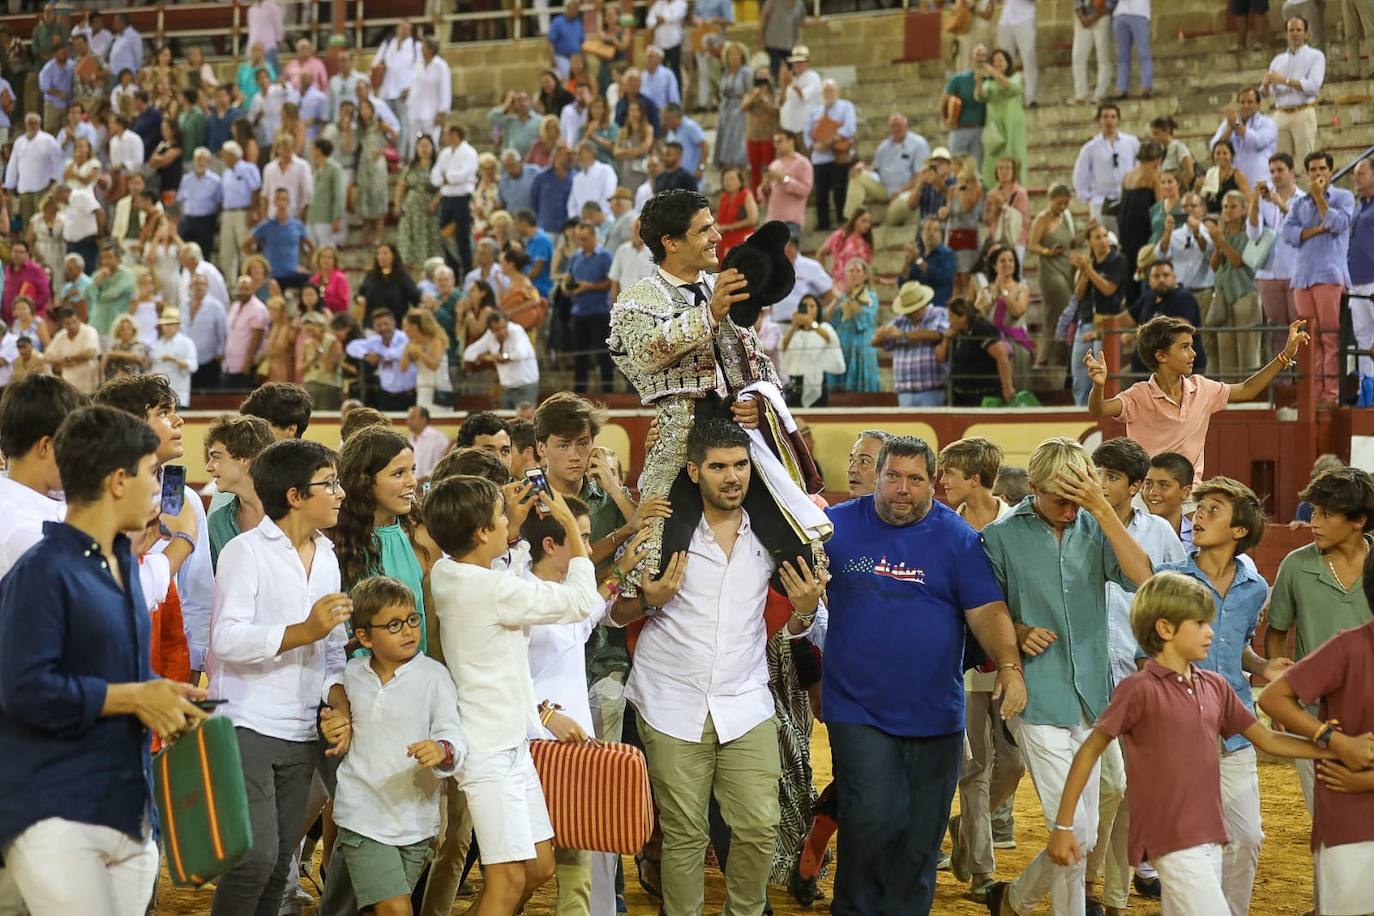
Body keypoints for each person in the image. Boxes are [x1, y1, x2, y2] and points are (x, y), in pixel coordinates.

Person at [0, 404, 207, 916]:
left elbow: (114, 675)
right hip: (56, 807)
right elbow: (24, 690)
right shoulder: (41, 571)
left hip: (129, 808)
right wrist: (134, 696)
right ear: (118, 481)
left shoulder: (124, 566)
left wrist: (161, 697)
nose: (157, 488)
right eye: (151, 473)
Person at [614, 418, 825, 916]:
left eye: (740, 465)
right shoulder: (661, 531)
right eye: (718, 467)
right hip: (670, 701)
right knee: (685, 833)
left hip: (745, 701)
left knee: (759, 825)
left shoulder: (774, 534)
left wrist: (805, 609)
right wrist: (649, 601)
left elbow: (797, 624)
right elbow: (613, 613)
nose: (732, 477)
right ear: (693, 471)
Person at [1041, 572, 1334, 914]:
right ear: (1165, 629)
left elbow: (1267, 739)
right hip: (1170, 838)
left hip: (1211, 833)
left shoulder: (1215, 686)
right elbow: (1090, 750)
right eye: (1200, 623)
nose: (1211, 632)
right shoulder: (1139, 689)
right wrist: (1064, 825)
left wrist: (1328, 746)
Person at [821, 434, 1022, 914]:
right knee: (873, 814)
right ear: (877, 477)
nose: (902, 489)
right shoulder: (834, 528)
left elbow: (987, 610)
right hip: (857, 707)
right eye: (892, 476)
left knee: (922, 834)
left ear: (933, 482)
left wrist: (1009, 665)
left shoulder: (958, 538)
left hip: (936, 713)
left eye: (914, 479)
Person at [979, 436, 1153, 916]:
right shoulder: (999, 537)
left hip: (1094, 697)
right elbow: (983, 611)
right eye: (1061, 500)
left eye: (1079, 499)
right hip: (1036, 695)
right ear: (1033, 487)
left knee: (1087, 829)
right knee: (1073, 830)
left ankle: (1014, 899)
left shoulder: (1094, 525)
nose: (1070, 511)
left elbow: (1143, 578)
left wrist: (1102, 509)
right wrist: (1017, 631)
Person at [426, 473, 601, 916]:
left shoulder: (448, 571)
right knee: (507, 882)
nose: (508, 520)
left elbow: (497, 577)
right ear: (481, 532)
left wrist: (516, 533)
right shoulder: (493, 589)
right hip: (490, 752)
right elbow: (581, 601)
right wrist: (567, 523)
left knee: (539, 867)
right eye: (500, 516)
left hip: (509, 743)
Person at [206, 438, 350, 916]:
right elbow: (226, 639)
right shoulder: (245, 552)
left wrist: (340, 701)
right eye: (329, 483)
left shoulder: (327, 556)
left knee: (278, 864)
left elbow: (332, 649)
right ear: (294, 496)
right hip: (247, 720)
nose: (340, 493)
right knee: (254, 860)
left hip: (303, 727)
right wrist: (302, 630)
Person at [316, 575, 464, 916]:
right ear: (365, 636)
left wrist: (442, 749)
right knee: (396, 909)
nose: (408, 631)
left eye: (412, 620)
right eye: (394, 625)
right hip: (361, 817)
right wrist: (334, 718)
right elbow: (329, 682)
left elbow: (453, 733)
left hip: (416, 824)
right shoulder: (353, 675)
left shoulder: (435, 677)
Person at [936, 437, 1023, 904]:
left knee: (1013, 764)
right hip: (965, 661)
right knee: (975, 768)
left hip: (1009, 659)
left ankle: (967, 827)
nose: (941, 481)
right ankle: (982, 874)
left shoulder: (1016, 524)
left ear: (974, 478)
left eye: (949, 473)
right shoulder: (944, 526)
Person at [1263, 465, 1374, 809]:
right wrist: (1284, 695)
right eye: (1313, 512)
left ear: (1358, 520)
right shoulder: (1295, 565)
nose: (1314, 522)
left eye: (1326, 514)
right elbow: (1276, 633)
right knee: (1326, 817)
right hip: (1313, 717)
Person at [1259, 592, 1374, 916]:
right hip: (1349, 820)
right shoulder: (1348, 647)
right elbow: (1272, 698)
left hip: (1350, 803)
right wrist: (1333, 740)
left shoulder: (1349, 647)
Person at [1087, 314, 1310, 482]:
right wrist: (1098, 386)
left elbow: (1247, 389)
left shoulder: (1202, 388)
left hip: (1190, 497)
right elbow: (1099, 410)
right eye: (1185, 347)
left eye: (1191, 346)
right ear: (1161, 356)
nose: (1193, 354)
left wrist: (1285, 356)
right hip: (1147, 495)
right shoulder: (1139, 394)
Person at [1283, 150, 1354, 404]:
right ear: (1307, 173)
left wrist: (1319, 198)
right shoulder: (1299, 204)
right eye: (1313, 169)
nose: (1317, 173)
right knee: (1309, 340)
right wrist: (1314, 230)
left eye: (1322, 168)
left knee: (1329, 336)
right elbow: (1287, 234)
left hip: (1328, 275)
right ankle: (1311, 396)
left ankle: (1330, 394)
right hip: (1302, 278)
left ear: (1331, 171)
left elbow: (1338, 224)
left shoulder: (1344, 197)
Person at [0, 375, 87, 576]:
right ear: (46, 446)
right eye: (75, 445)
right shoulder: (24, 531)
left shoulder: (30, 499)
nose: (81, 458)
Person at [204, 413, 274, 570]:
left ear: (244, 458)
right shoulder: (218, 521)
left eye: (216, 457)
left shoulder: (292, 512)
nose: (208, 467)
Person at [1207, 189, 1263, 379]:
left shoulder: (1250, 234)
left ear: (1243, 209)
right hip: (1224, 295)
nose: (1228, 210)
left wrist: (1222, 242)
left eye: (1233, 206)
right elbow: (1214, 265)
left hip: (1244, 293)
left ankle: (1251, 390)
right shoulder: (1222, 235)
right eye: (1225, 207)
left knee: (1248, 348)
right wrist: (1218, 243)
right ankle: (1229, 390)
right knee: (1226, 350)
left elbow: (1239, 261)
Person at [873, 281, 948, 408]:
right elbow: (875, 342)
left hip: (931, 389)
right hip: (904, 391)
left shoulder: (938, 314)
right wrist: (881, 334)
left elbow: (939, 334)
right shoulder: (900, 321)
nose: (911, 314)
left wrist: (903, 335)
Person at [1263, 16, 1325, 165]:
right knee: (1281, 162)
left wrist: (1285, 80)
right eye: (1291, 30)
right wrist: (1265, 86)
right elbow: (1266, 93)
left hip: (1302, 111)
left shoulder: (1316, 56)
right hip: (1280, 113)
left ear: (1306, 34)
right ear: (1286, 34)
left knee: (1305, 161)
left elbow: (1313, 85)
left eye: (1299, 30)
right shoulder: (1277, 60)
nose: (1295, 33)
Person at [844, 112, 930, 221]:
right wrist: (862, 167)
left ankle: (889, 224)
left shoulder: (919, 144)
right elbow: (875, 169)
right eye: (892, 126)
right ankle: (851, 219)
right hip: (885, 188)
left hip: (908, 191)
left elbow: (920, 175)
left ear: (906, 125)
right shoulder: (884, 146)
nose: (895, 129)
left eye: (898, 125)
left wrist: (901, 191)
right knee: (857, 175)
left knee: (896, 210)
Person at [937, 297, 1016, 406]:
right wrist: (946, 339)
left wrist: (1007, 387)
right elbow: (940, 357)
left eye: (951, 317)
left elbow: (1002, 356)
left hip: (983, 395)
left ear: (963, 317)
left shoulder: (983, 328)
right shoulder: (956, 332)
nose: (949, 321)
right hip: (960, 395)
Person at [566, 220, 615, 393]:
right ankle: (580, 390)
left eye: (584, 239)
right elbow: (569, 278)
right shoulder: (575, 257)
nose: (581, 243)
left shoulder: (605, 257)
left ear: (594, 237)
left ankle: (607, 389)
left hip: (599, 312)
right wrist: (568, 288)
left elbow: (610, 282)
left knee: (603, 353)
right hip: (579, 311)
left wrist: (590, 287)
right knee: (579, 354)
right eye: (579, 239)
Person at [1073, 104, 1139, 224]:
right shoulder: (1090, 148)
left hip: (1127, 199)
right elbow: (1080, 175)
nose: (1109, 121)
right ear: (1099, 120)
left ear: (1118, 119)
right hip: (1101, 201)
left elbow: (1139, 166)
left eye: (1113, 117)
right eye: (1105, 117)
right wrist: (1087, 198)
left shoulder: (1131, 142)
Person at [806, 79, 856, 233]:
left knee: (839, 189)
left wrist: (831, 140)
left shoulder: (846, 107)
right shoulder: (815, 111)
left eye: (831, 90)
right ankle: (823, 223)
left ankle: (842, 220)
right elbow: (807, 133)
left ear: (837, 92)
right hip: (819, 157)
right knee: (820, 193)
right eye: (826, 91)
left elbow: (850, 128)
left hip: (836, 156)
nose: (829, 94)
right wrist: (814, 145)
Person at [463, 310, 541, 409]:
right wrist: (489, 357)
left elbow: (521, 353)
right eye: (497, 329)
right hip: (506, 388)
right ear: (491, 330)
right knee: (506, 418)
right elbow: (468, 354)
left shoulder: (516, 331)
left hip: (526, 386)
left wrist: (503, 357)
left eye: (503, 327)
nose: (501, 332)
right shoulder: (489, 336)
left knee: (526, 417)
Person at [780, 293, 844, 408]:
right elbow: (783, 347)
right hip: (795, 382)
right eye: (805, 306)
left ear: (818, 310)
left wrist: (811, 323)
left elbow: (830, 338)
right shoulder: (795, 332)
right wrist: (794, 326)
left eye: (812, 306)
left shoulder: (824, 327)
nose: (808, 309)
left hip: (816, 382)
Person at [826, 259, 880, 394]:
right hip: (843, 344)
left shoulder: (871, 297)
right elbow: (828, 319)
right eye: (851, 271)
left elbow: (864, 317)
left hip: (863, 345)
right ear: (846, 274)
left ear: (865, 275)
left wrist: (850, 297)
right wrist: (837, 299)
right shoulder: (841, 296)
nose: (854, 274)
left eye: (858, 271)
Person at [347, 309, 418, 412]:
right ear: (374, 327)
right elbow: (351, 346)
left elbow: (398, 353)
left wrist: (380, 356)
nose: (383, 328)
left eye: (386, 324)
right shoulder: (375, 341)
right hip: (385, 397)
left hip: (408, 395)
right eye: (379, 325)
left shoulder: (404, 338)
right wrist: (366, 355)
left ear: (394, 323)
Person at [976, 48, 1026, 189]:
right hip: (995, 127)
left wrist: (993, 72)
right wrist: (979, 81)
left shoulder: (1016, 77)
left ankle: (1017, 190)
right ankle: (995, 190)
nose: (997, 63)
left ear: (1007, 63)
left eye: (1000, 60)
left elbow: (1013, 88)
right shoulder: (989, 83)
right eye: (994, 61)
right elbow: (981, 96)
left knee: (1014, 156)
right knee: (995, 158)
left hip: (1013, 126)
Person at [758, 129, 812, 235]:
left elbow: (805, 190)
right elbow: (763, 196)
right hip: (771, 220)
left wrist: (784, 178)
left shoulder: (803, 163)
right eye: (775, 142)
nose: (776, 145)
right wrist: (765, 186)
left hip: (791, 220)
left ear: (791, 141)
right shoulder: (774, 164)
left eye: (780, 141)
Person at [942, 44, 989, 167]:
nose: (981, 58)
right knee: (958, 167)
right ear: (971, 58)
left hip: (980, 130)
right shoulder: (959, 79)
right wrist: (946, 120)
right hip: (960, 130)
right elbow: (944, 101)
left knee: (977, 168)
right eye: (978, 55)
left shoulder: (989, 80)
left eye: (984, 55)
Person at [44, 305, 101, 396]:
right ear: (62, 324)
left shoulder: (90, 331)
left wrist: (70, 359)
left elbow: (90, 353)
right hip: (69, 386)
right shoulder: (60, 335)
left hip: (89, 385)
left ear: (79, 320)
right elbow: (46, 357)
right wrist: (61, 361)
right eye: (68, 323)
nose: (72, 326)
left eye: (74, 322)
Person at [817, 208, 874, 289]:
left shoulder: (866, 246)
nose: (867, 225)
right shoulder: (840, 236)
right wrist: (824, 275)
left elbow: (867, 270)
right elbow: (821, 253)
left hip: (857, 288)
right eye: (863, 221)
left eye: (869, 222)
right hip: (837, 285)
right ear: (855, 220)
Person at [1071, 0, 1113, 106]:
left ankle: (1100, 93)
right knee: (1078, 56)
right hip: (1083, 18)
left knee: (1103, 56)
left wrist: (1094, 17)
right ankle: (1080, 94)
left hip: (1102, 16)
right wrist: (1082, 17)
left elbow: (1111, 4)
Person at [1111, 0, 1152, 100]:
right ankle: (1121, 88)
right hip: (1120, 14)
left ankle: (1146, 86)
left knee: (1144, 53)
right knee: (1122, 56)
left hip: (1139, 13)